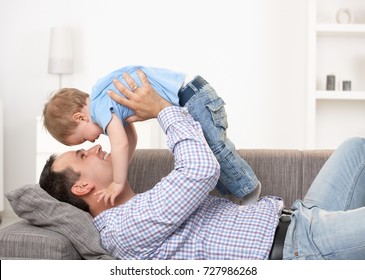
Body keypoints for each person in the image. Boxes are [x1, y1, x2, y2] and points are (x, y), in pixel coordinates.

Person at [40, 70, 365, 260]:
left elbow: (124, 143)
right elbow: (201, 170)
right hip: (300, 248)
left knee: (355, 149)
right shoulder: (124, 226)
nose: (95, 147)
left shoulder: (140, 205)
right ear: (82, 187)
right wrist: (163, 109)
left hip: (299, 218)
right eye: (83, 155)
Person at [42, 65, 260, 205]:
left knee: (217, 150)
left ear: (80, 118)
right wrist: (119, 166)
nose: (92, 141)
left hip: (193, 99)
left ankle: (249, 191)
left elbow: (119, 145)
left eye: (82, 139)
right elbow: (129, 141)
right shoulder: (106, 100)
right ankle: (238, 194)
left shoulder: (99, 107)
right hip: (194, 95)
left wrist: (117, 182)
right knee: (212, 154)